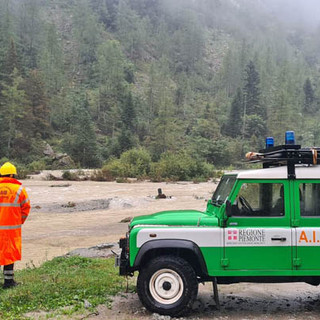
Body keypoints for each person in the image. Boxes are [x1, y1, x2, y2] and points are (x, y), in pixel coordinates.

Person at [0, 162, 31, 289]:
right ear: (13, 174)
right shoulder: (19, 189)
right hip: (11, 229)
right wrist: (19, 222)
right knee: (8, 254)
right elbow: (26, 208)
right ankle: (8, 282)